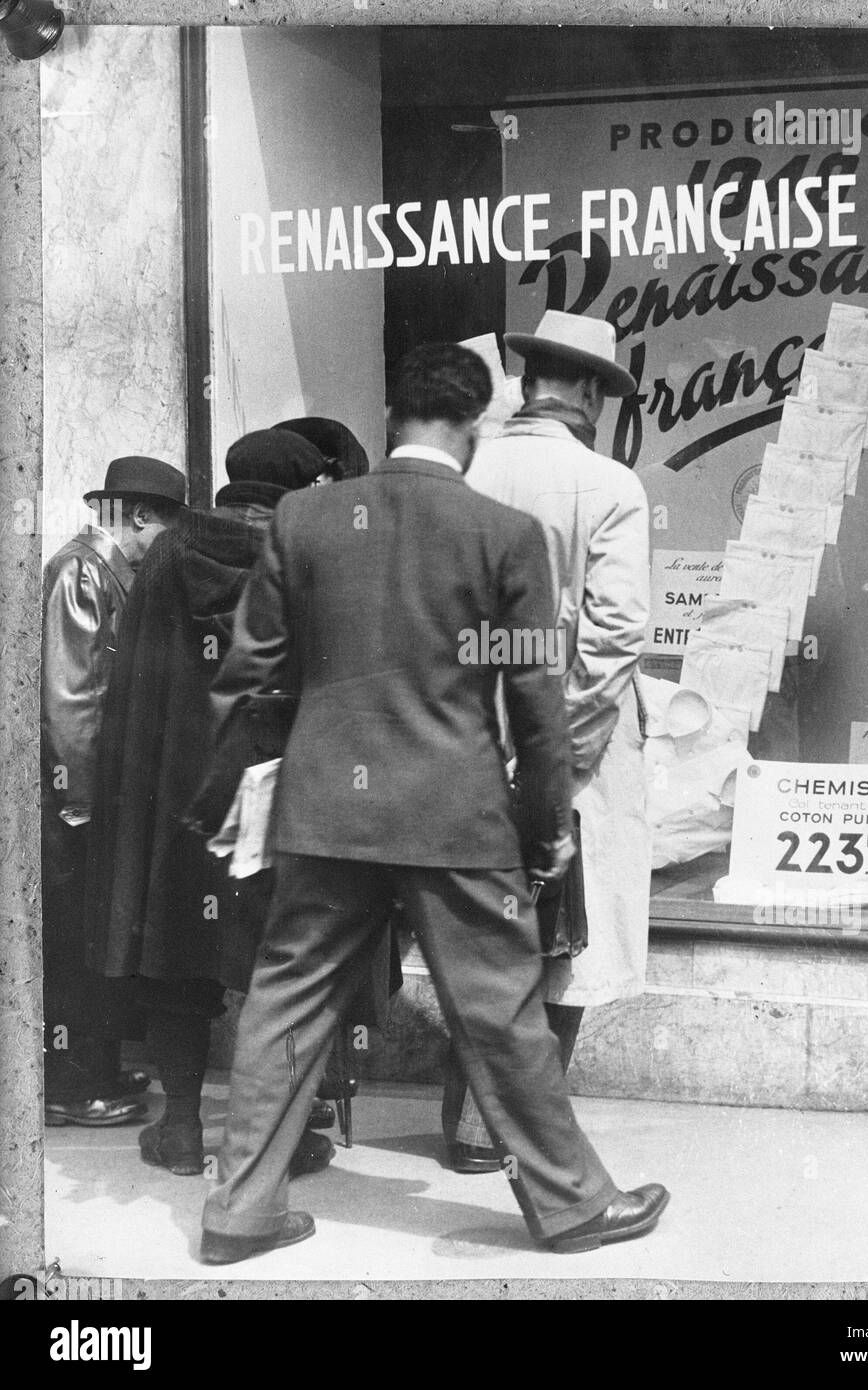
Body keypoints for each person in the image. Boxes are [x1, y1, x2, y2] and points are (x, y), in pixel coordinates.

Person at [194, 343, 668, 1263]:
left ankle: (238, 1213)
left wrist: (220, 800)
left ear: (387, 418)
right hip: (456, 816)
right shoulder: (499, 534)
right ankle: (570, 1205)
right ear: (475, 422)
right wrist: (545, 829)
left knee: (284, 1007)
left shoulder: (303, 517)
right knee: (499, 1012)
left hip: (326, 811)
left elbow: (250, 673)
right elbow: (534, 703)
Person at [84, 429, 377, 1178]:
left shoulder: (167, 557)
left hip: (185, 801)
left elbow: (134, 693)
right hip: (284, 797)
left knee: (179, 962)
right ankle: (285, 1133)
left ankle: (180, 1128)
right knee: (281, 967)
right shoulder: (312, 554)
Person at [443, 309, 652, 1169]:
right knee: (571, 936)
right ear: (593, 395)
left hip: (464, 736)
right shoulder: (609, 486)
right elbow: (613, 636)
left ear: (528, 383)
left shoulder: (463, 471)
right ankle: (514, 1132)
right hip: (574, 748)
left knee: (480, 931)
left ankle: (462, 1120)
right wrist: (560, 757)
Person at [41, 455, 185, 1126]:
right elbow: (69, 698)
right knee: (70, 942)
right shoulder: (79, 571)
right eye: (165, 528)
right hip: (77, 800)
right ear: (141, 517)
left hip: (99, 796)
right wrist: (83, 800)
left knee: (92, 941)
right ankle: (68, 1088)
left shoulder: (110, 572)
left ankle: (91, 1068)